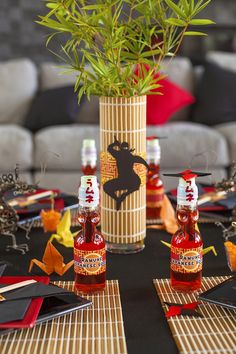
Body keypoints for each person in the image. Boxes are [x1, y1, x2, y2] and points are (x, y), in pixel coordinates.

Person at [103, 137, 149, 210]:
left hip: (125, 181)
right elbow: (141, 160)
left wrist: (114, 144)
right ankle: (121, 197)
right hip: (132, 181)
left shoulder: (118, 154)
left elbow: (109, 148)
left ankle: (120, 197)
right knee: (106, 187)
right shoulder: (131, 156)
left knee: (106, 187)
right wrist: (148, 167)